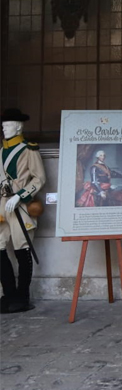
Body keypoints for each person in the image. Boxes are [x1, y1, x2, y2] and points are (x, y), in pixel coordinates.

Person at [0, 108, 45, 314]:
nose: (4, 128)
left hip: (21, 206)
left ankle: (22, 296)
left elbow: (39, 178)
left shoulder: (29, 150)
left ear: (18, 127)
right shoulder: (1, 150)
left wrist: (20, 196)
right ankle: (8, 294)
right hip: (2, 205)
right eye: (3, 125)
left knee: (21, 248)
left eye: (7, 125)